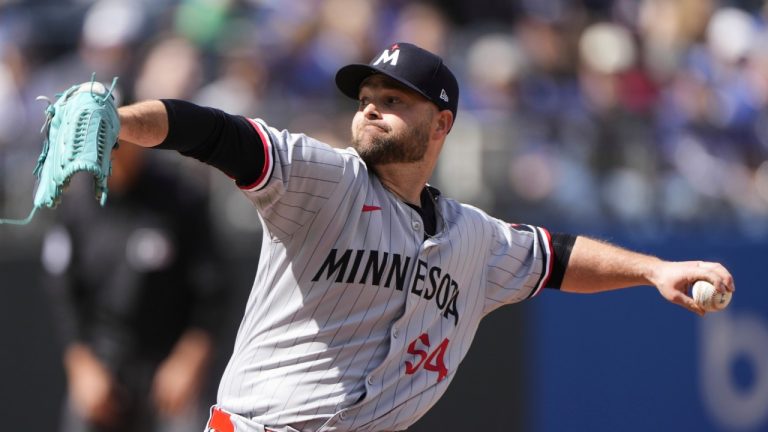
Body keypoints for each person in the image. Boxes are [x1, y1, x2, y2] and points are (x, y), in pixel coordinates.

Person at [115, 42, 734, 432]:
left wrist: (654, 269)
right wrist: (121, 123)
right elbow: (216, 133)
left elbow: (557, 257)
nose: (371, 109)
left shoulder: (475, 239)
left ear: (441, 123)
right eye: (365, 98)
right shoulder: (325, 179)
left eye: (393, 99)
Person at [41, 142, 229, 432]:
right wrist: (81, 366)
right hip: (102, 361)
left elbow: (213, 288)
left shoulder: (180, 196)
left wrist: (189, 361)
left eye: (118, 139)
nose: (110, 151)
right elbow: (63, 292)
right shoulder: (76, 202)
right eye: (101, 140)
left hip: (167, 362)